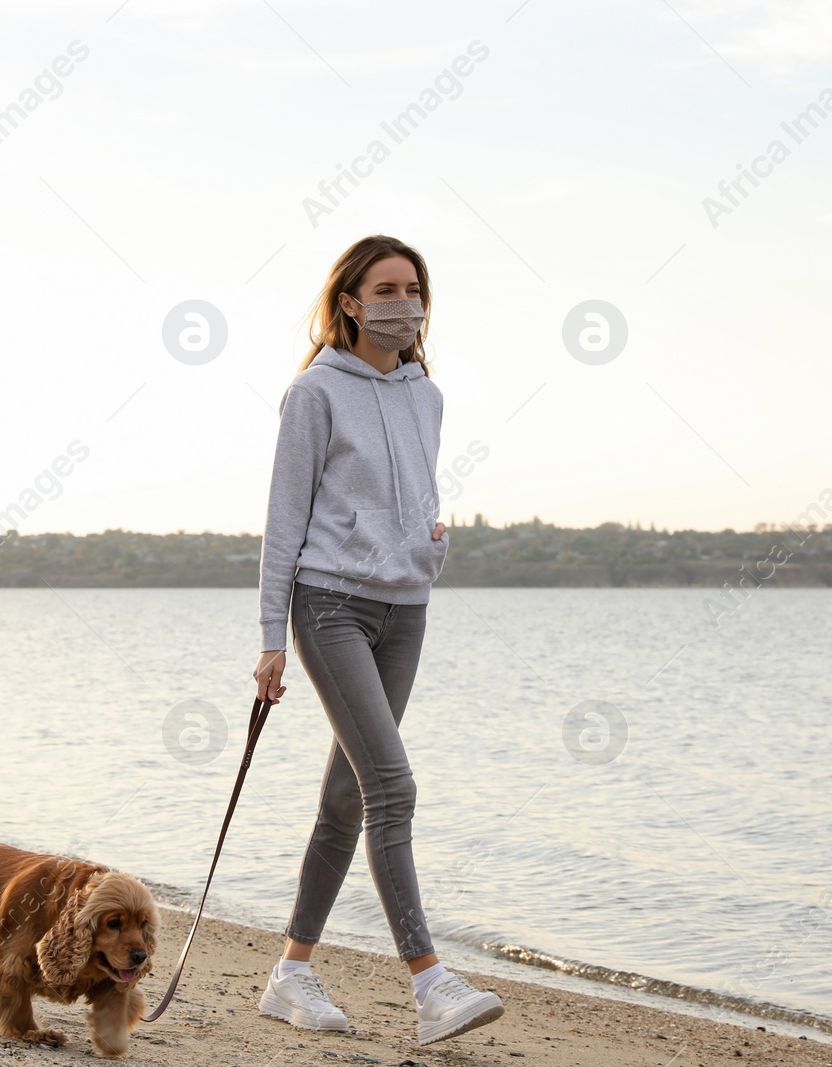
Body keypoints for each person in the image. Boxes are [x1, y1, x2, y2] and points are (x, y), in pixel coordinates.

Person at [251, 234, 504, 1046]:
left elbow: (413, 489)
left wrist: (431, 540)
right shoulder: (315, 392)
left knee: (349, 795)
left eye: (415, 288)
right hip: (329, 607)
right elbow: (284, 520)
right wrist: (269, 640)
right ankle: (430, 982)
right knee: (393, 784)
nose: (406, 302)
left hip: (407, 609)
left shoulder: (427, 395)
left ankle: (290, 971)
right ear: (351, 301)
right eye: (387, 289)